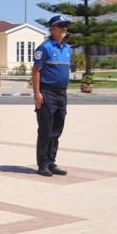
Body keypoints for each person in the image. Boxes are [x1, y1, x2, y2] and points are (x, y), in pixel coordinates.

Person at [32, 15, 72, 177]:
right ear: (51, 28)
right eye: (60, 25)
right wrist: (37, 94)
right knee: (46, 130)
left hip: (61, 94)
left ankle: (51, 161)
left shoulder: (68, 48)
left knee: (57, 130)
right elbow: (36, 72)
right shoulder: (45, 48)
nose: (64, 28)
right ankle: (42, 164)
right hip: (47, 93)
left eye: (65, 26)